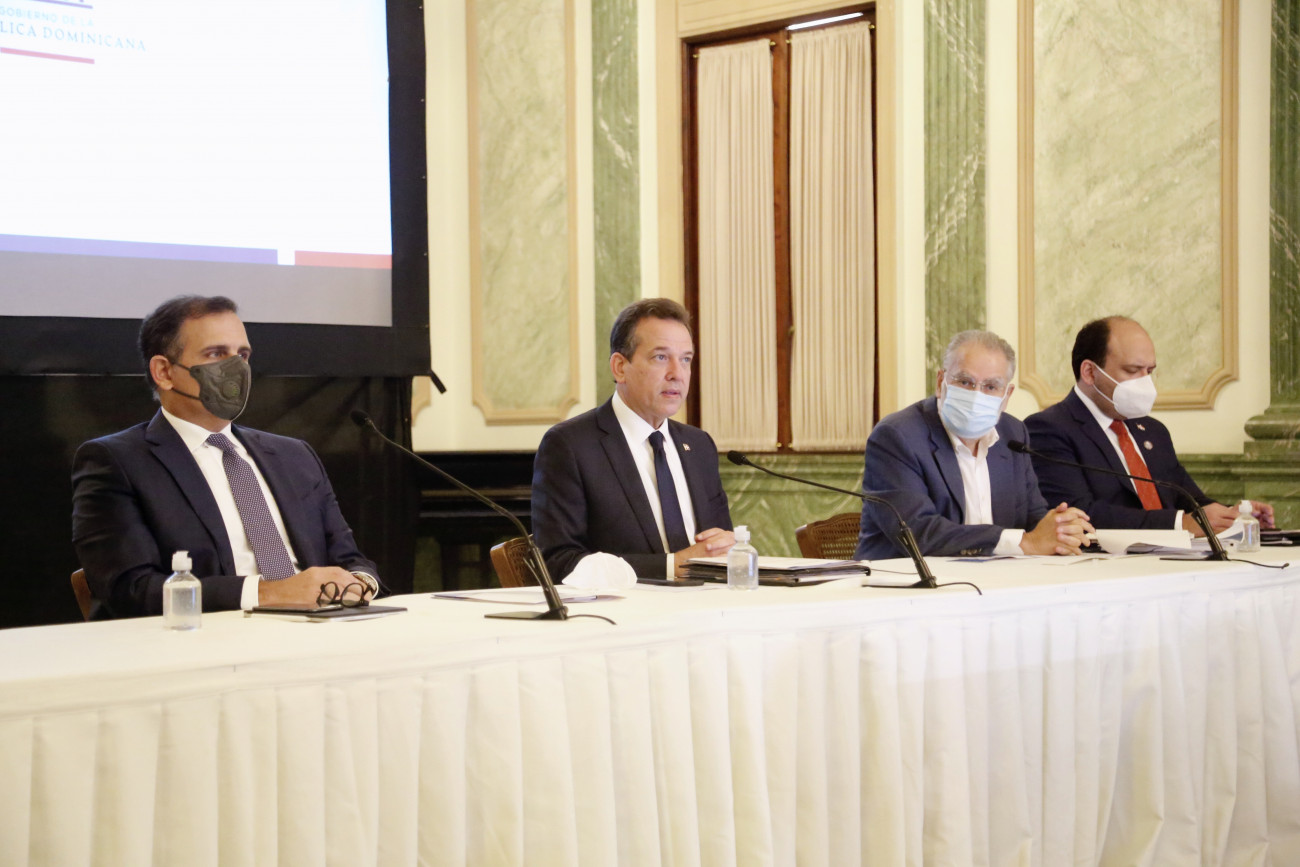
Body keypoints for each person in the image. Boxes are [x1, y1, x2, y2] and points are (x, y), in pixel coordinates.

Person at [72, 295, 379, 618]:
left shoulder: (294, 456)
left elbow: (349, 559)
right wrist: (268, 593)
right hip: (206, 635)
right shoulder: (118, 461)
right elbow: (130, 589)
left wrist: (359, 584)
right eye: (216, 354)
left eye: (242, 355)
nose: (237, 369)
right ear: (164, 372)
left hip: (323, 626)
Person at [531, 298, 734, 579]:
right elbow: (558, 562)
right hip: (624, 606)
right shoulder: (570, 446)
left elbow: (720, 542)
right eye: (660, 357)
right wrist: (670, 566)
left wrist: (729, 547)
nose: (677, 374)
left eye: (686, 359)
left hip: (708, 601)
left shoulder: (699, 445)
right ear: (619, 367)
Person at [854, 330, 1093, 560]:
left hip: (997, 577)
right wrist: (1024, 543)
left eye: (991, 386)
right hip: (904, 580)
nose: (977, 394)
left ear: (1006, 395)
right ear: (941, 382)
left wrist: (1060, 528)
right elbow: (919, 533)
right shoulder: (897, 436)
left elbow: (1033, 518)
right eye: (965, 382)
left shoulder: (1012, 433)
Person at [1024, 316, 1273, 534]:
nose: (1145, 382)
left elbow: (1189, 500)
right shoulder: (1048, 429)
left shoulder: (1153, 431)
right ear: (1090, 372)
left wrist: (1235, 515)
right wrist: (1179, 524)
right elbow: (1077, 515)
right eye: (1133, 370)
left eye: (1149, 371)